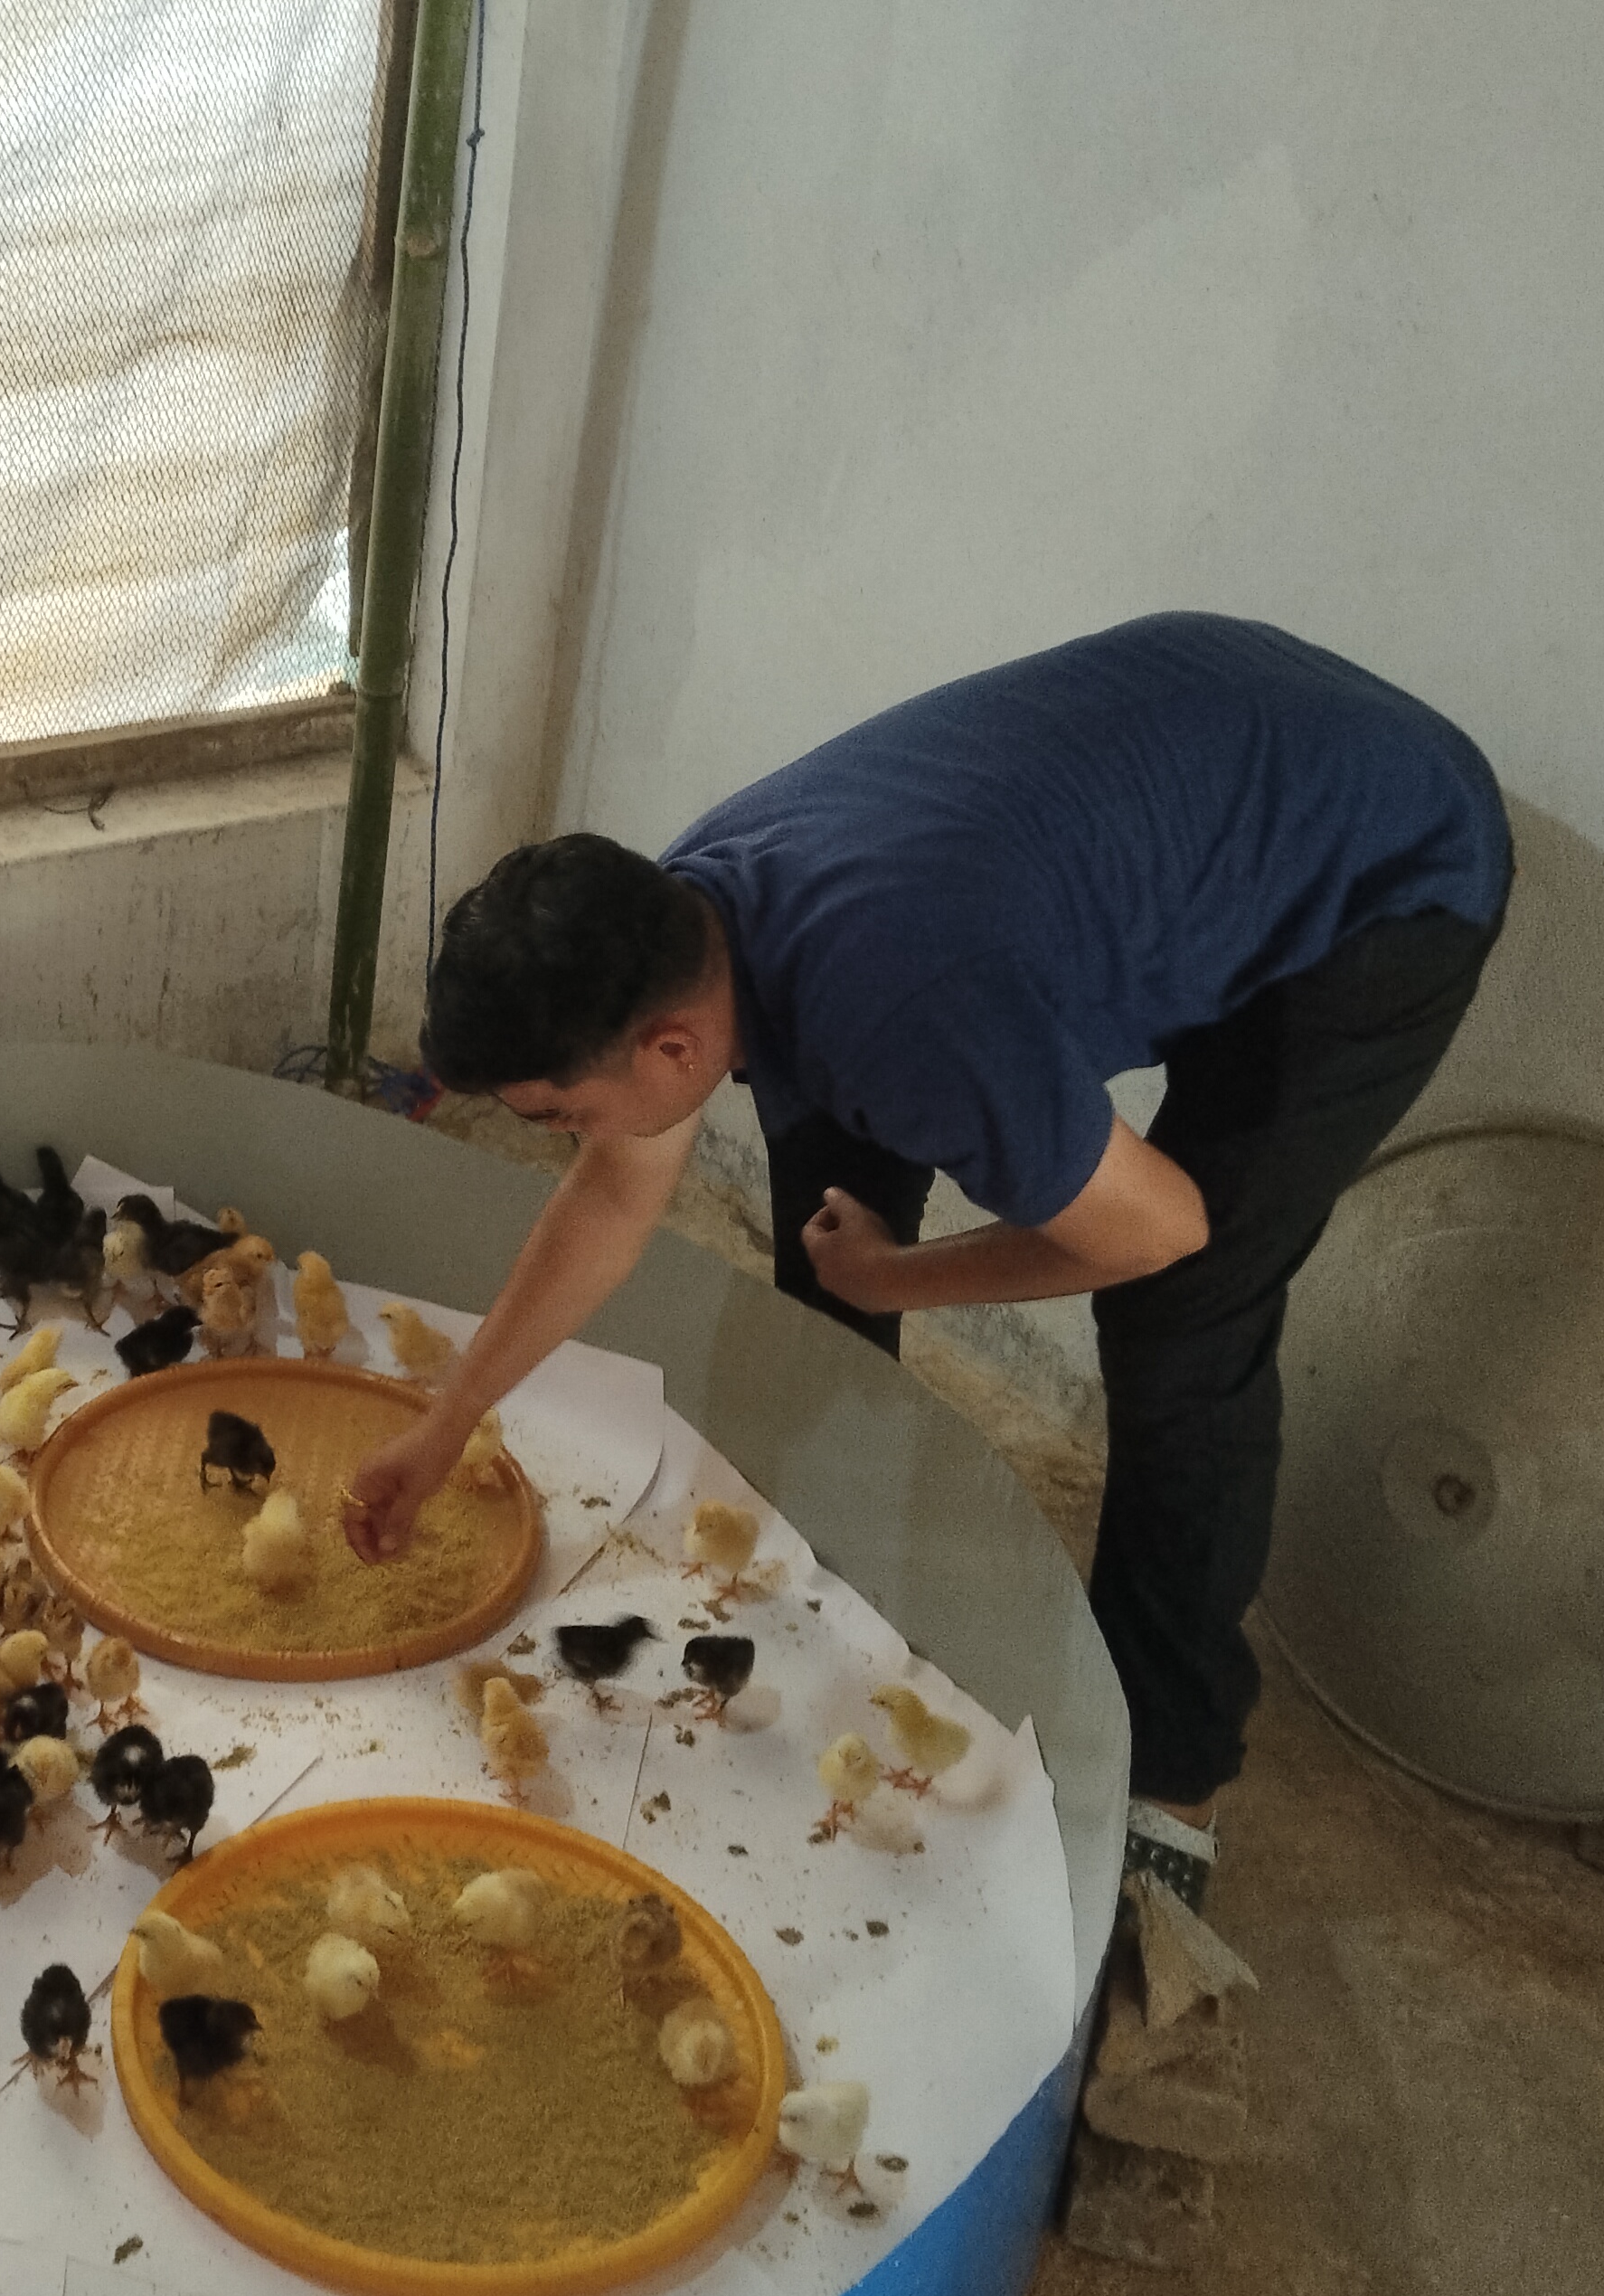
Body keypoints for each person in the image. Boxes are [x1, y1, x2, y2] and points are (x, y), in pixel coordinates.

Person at [343, 613, 1514, 1913]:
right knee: (830, 1185)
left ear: (670, 1049)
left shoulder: (903, 1006)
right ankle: (843, 1549)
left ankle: (1173, 1794)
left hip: (1385, 870)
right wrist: (448, 1420)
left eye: (557, 1113)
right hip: (1210, 755)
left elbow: (1158, 1230)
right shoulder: (684, 913)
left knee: (1185, 1319)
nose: (568, 1141)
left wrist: (898, 1278)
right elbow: (615, 1193)